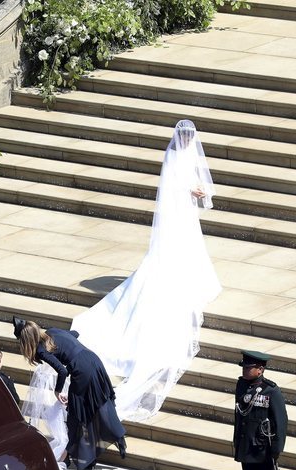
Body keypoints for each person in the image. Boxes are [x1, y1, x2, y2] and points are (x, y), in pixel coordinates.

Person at [71, 119, 221, 422]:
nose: (188, 141)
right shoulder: (172, 158)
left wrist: (200, 193)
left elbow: (199, 189)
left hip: (187, 216)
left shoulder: (189, 154)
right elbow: (171, 192)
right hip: (175, 217)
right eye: (186, 137)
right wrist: (190, 193)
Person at [14, 316, 126, 470]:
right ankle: (115, 437)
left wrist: (57, 390)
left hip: (81, 370)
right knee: (98, 403)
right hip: (93, 360)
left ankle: (80, 458)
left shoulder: (40, 349)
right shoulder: (52, 332)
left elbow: (62, 370)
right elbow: (75, 334)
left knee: (76, 415)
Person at [234, 350, 287, 470]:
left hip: (263, 448)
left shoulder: (271, 391)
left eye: (249, 368)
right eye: (245, 367)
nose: (245, 371)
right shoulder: (241, 386)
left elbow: (280, 422)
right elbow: (240, 418)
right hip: (246, 446)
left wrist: (276, 449)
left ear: (260, 369)